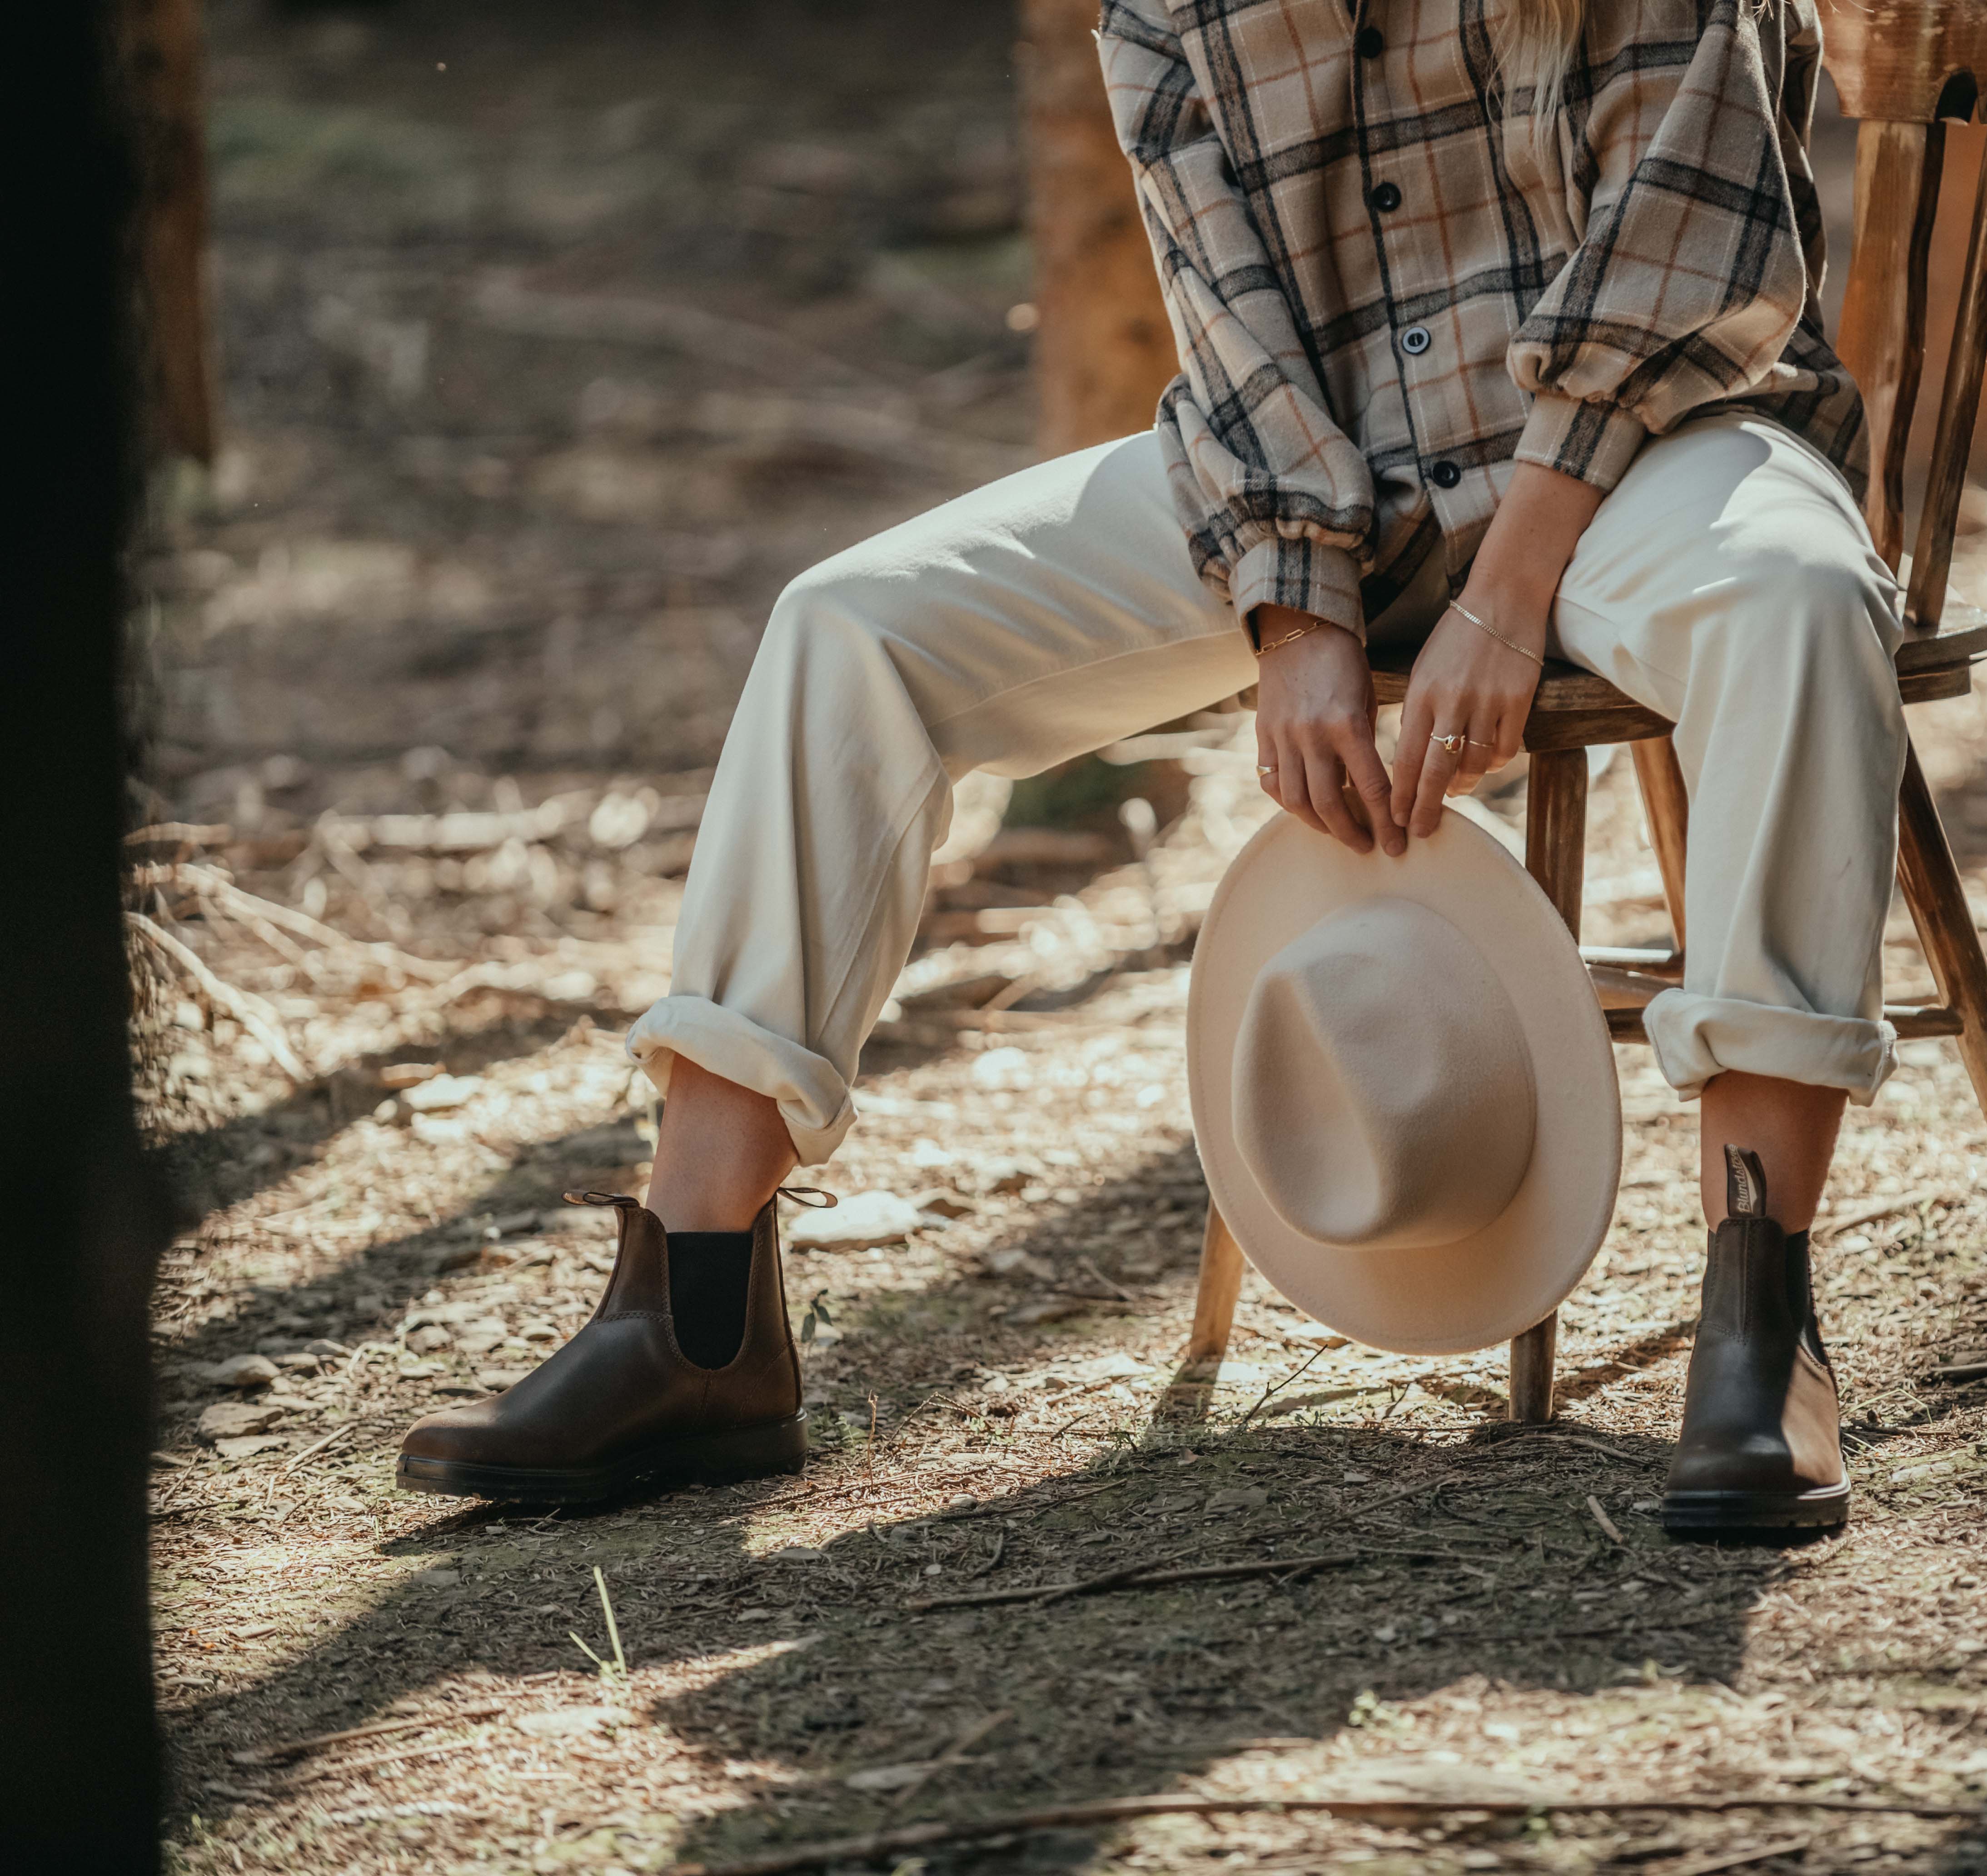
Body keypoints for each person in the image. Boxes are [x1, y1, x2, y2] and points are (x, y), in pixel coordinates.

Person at [400, 0, 1904, 1529]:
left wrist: (1507, 595)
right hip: (1321, 475)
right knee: (846, 629)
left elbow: (1687, 266)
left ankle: (1760, 1306)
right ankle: (692, 1315)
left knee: (1793, 598)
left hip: (1636, 452)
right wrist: (1298, 607)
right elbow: (1228, 321)